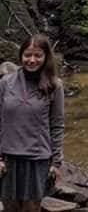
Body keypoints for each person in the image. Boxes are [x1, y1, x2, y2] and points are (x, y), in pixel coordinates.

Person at [0, 35, 64, 212]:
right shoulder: (6, 82)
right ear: (21, 56)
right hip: (8, 159)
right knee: (9, 208)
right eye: (27, 55)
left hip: (38, 160)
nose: (32, 60)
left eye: (38, 55)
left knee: (31, 208)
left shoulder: (54, 85)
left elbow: (57, 126)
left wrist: (57, 163)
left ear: (46, 57)